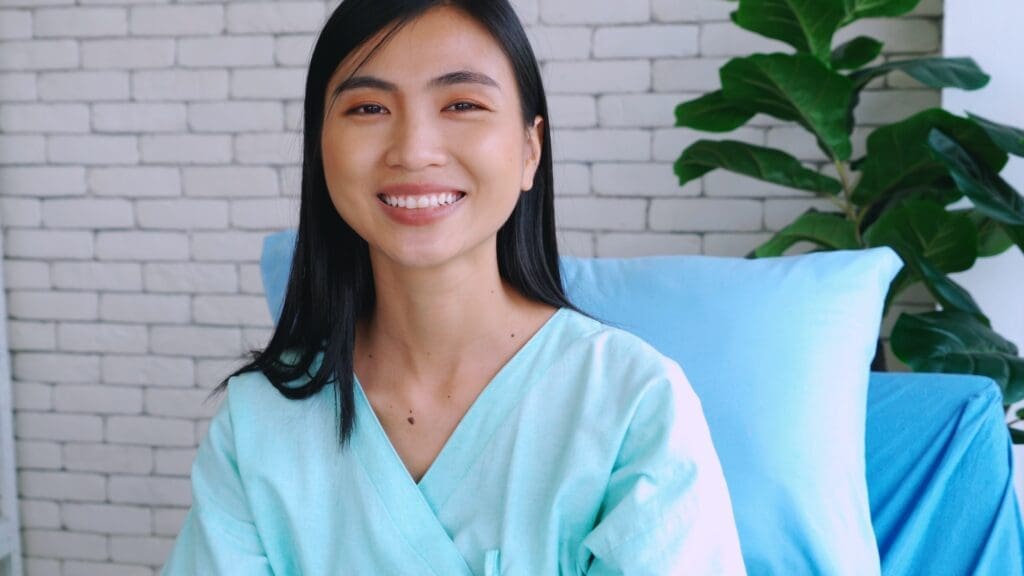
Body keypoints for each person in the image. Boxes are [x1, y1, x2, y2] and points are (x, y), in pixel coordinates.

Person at [161, 0, 746, 574]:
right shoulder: (257, 422)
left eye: (462, 103)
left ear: (529, 150)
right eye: (367, 108)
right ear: (321, 150)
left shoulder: (632, 404)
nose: (414, 151)